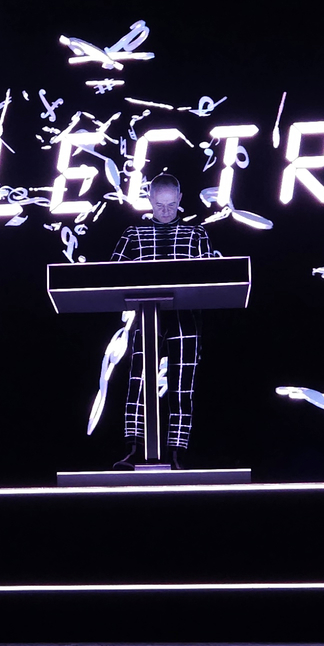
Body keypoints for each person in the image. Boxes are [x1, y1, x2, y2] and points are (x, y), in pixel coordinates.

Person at [110, 173, 210, 470]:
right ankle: (133, 449)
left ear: (180, 200)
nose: (165, 211)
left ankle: (177, 453)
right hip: (146, 317)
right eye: (159, 205)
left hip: (185, 317)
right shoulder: (133, 234)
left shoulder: (196, 234)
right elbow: (111, 276)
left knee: (182, 387)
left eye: (171, 205)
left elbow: (211, 275)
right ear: (150, 201)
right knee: (138, 383)